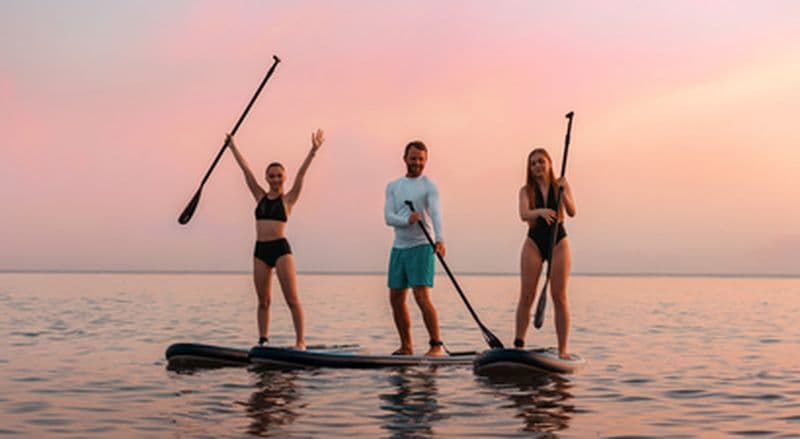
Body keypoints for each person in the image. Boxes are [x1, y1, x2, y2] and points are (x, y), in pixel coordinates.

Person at [226, 129, 325, 349]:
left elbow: (301, 174)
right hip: (260, 250)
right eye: (271, 176)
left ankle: (300, 342)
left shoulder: (288, 199)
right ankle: (263, 340)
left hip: (281, 250)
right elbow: (246, 172)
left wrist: (313, 151)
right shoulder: (259, 196)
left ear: (284, 177)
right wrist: (232, 147)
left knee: (291, 299)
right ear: (267, 178)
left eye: (279, 175)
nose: (275, 179)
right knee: (263, 301)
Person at [384, 140, 446, 357]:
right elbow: (388, 217)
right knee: (396, 298)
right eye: (413, 158)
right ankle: (406, 346)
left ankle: (436, 345)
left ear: (425, 160)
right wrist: (407, 220)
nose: (417, 163)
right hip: (399, 247)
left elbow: (436, 213)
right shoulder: (394, 186)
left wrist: (440, 239)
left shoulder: (429, 185)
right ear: (405, 159)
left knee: (421, 296)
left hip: (422, 245)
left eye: (421, 159)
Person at [515, 148, 577, 359]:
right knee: (526, 295)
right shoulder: (526, 191)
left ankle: (563, 350)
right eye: (533, 164)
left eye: (541, 162)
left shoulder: (561, 185)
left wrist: (564, 193)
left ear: (549, 163)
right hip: (534, 242)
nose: (537, 167)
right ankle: (519, 345)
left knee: (558, 296)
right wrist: (540, 212)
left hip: (558, 242)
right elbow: (524, 214)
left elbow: (572, 212)